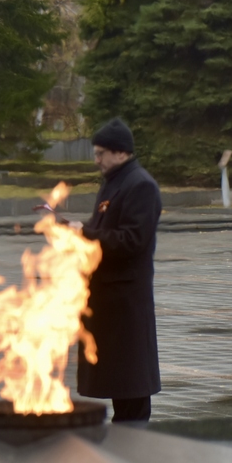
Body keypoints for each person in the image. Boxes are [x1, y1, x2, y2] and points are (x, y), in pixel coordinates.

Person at [73, 118, 162, 423]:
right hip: (107, 296)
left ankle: (133, 437)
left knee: (131, 377)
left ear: (121, 152)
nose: (96, 160)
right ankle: (124, 432)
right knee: (118, 375)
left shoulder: (140, 185)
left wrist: (85, 233)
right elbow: (103, 229)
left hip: (126, 299)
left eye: (101, 154)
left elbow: (132, 240)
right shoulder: (115, 181)